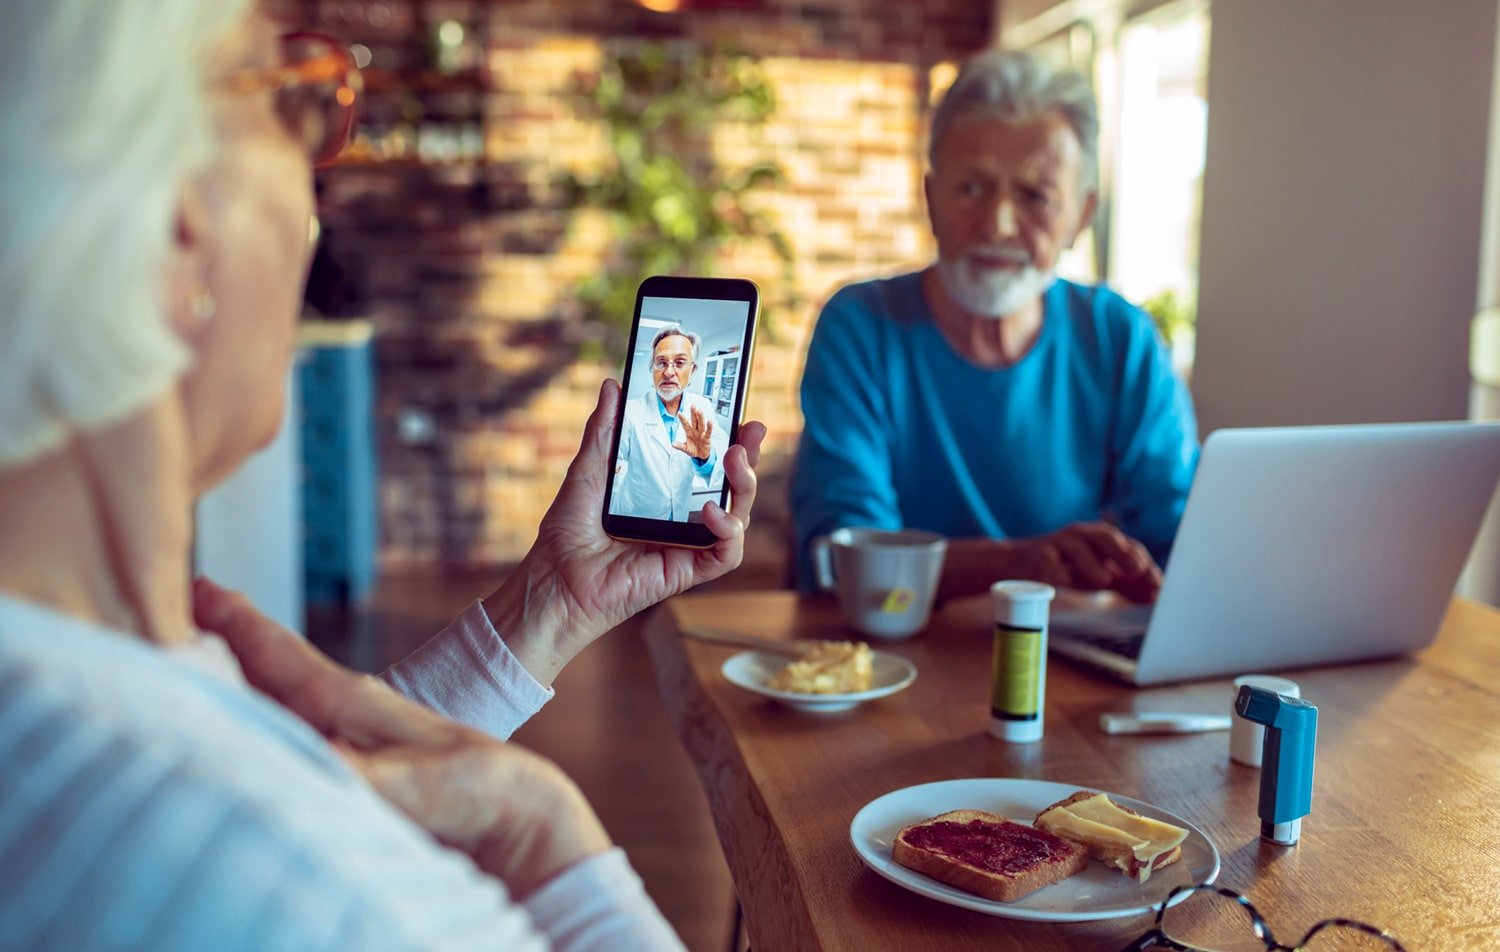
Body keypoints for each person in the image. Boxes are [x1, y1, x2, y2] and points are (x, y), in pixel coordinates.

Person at [0, 3, 766, 948]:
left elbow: (305, 791)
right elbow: (288, 852)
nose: (322, 176)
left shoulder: (78, 688)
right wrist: (544, 832)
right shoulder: (266, 882)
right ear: (173, 229)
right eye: (287, 98)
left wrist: (551, 606)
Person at [790, 49, 1199, 603]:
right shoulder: (861, 326)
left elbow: (1179, 539)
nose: (999, 224)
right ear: (931, 200)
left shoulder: (1121, 338)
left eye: (1035, 196)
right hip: (887, 660)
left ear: (1081, 215)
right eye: (972, 189)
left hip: (1068, 662)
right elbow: (840, 556)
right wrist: (1023, 564)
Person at [611, 325, 730, 522]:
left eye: (680, 362)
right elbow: (613, 463)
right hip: (635, 514)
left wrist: (705, 457)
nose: (669, 372)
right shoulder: (630, 411)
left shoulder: (703, 406)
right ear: (652, 370)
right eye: (661, 363)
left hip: (678, 516)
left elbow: (722, 452)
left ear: (692, 371)